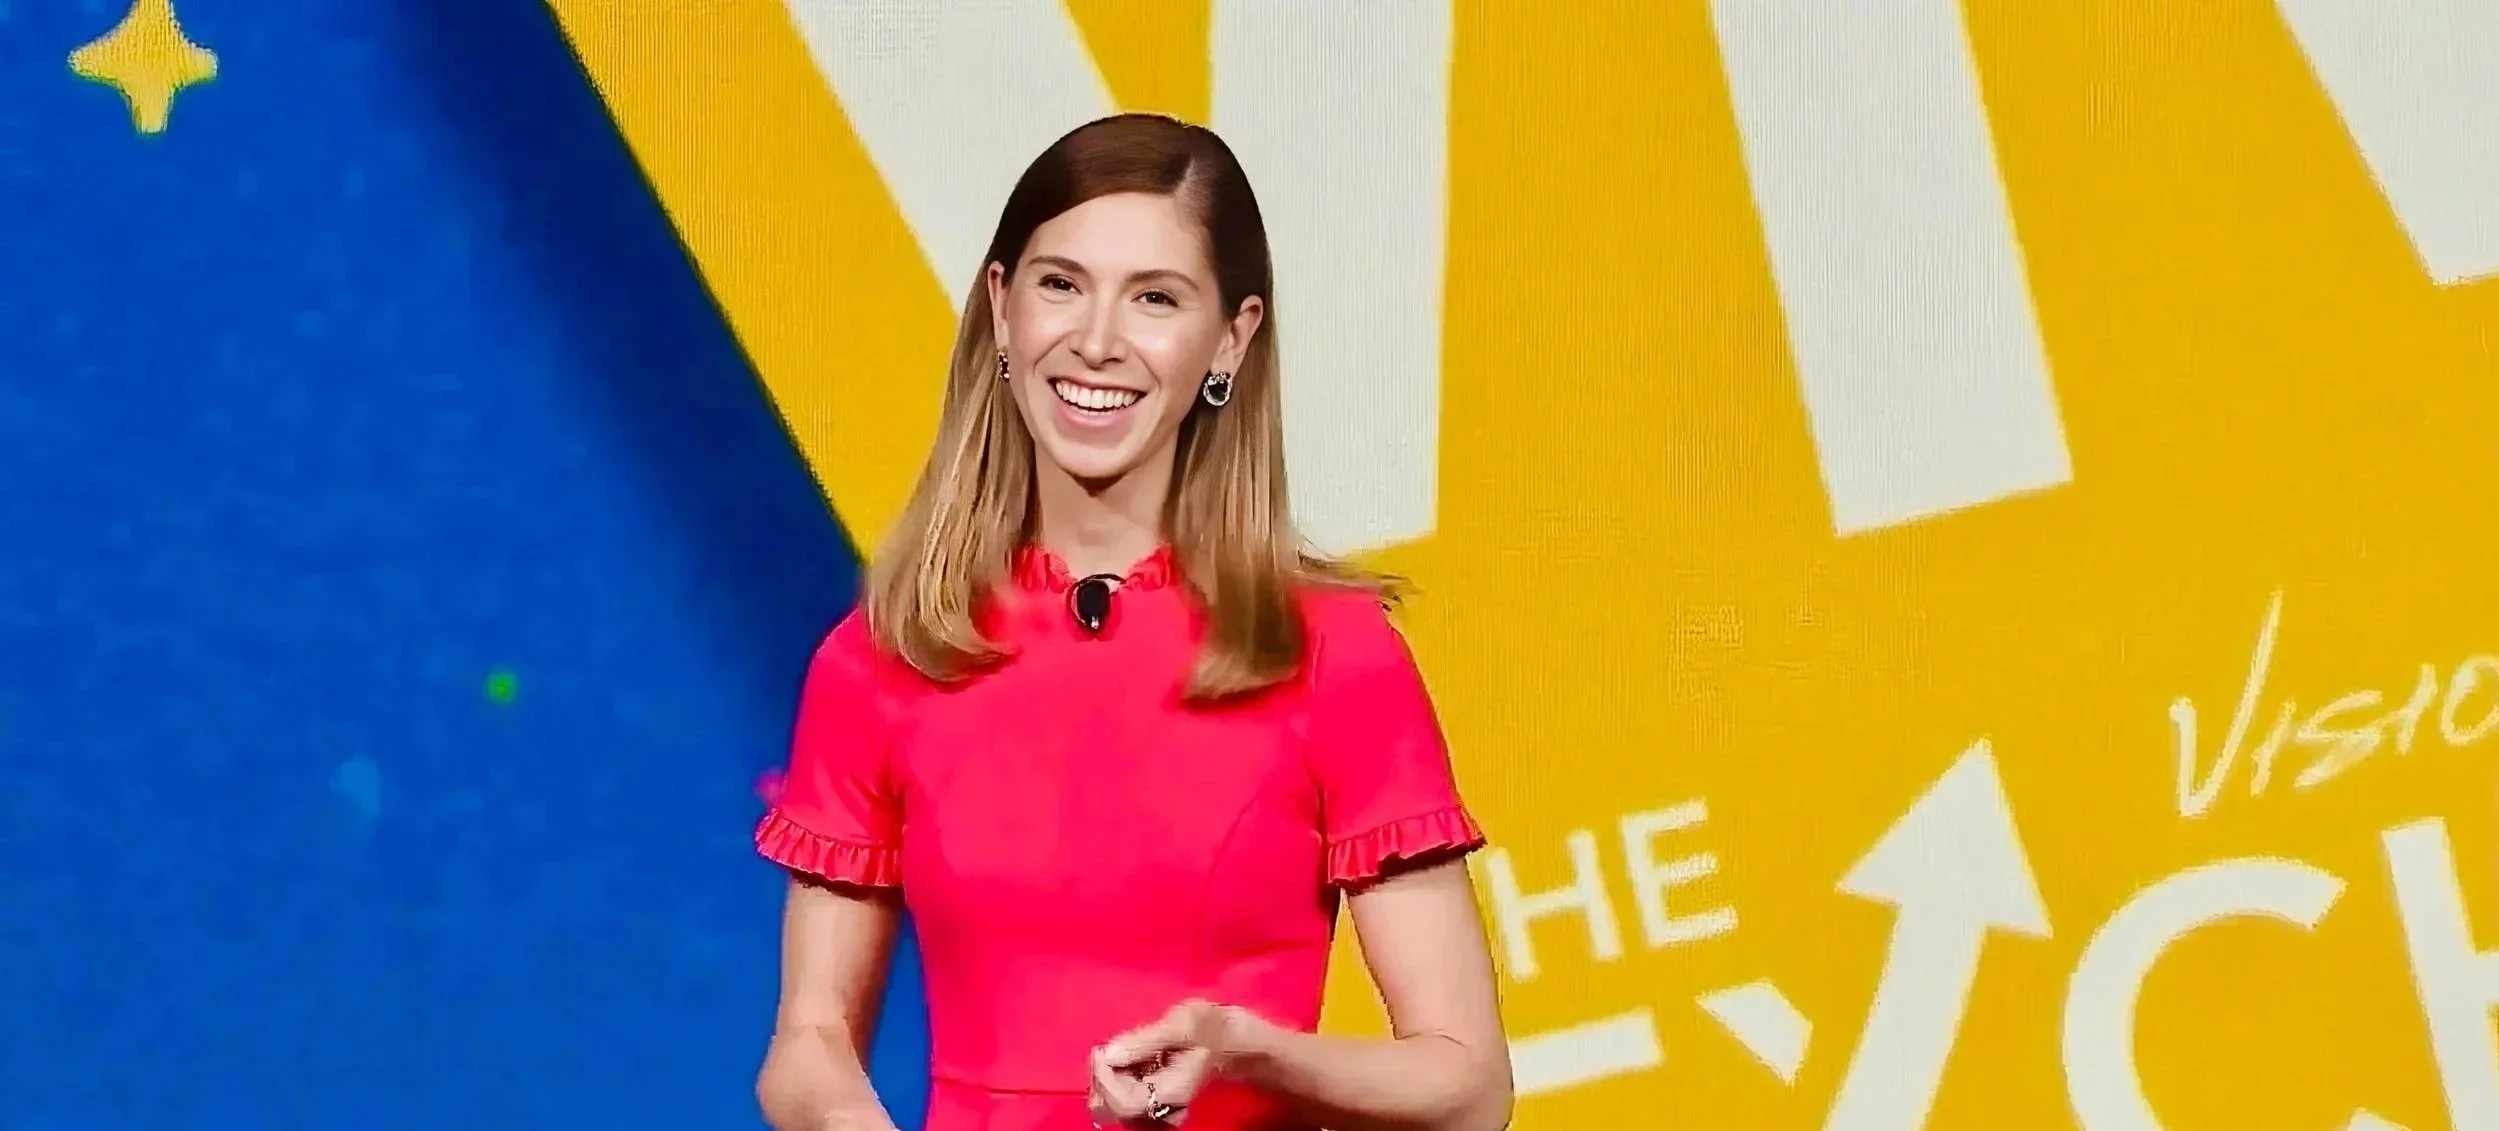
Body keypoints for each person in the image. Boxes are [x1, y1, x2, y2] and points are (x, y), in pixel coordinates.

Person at [752, 113, 1512, 1131]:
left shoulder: (1330, 654)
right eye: (1061, 285)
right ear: (1001, 307)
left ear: (1230, 337)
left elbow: (1467, 1088)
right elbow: (808, 1046)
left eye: (1155, 297)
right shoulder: (887, 656)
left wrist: (1248, 1052)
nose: (1099, 341)